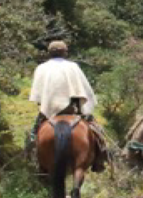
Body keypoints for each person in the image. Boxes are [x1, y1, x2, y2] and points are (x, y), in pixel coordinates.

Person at [29, 40, 109, 172]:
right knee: (98, 133)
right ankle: (99, 160)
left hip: (48, 111)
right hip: (72, 109)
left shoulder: (41, 68)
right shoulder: (73, 67)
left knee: (33, 136)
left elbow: (38, 95)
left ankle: (36, 162)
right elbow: (81, 89)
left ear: (49, 53)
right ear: (65, 52)